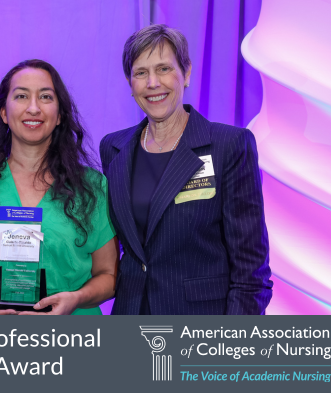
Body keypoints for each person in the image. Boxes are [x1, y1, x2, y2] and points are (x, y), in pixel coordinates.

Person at [100, 24, 273, 315]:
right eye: (141, 73)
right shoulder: (113, 148)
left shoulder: (228, 146)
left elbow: (250, 275)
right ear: (130, 84)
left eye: (164, 69)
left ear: (187, 73)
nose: (153, 83)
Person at [0, 59, 118, 315]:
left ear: (60, 114)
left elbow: (109, 275)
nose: (33, 108)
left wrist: (76, 298)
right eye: (21, 96)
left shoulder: (93, 187)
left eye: (46, 97)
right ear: (4, 113)